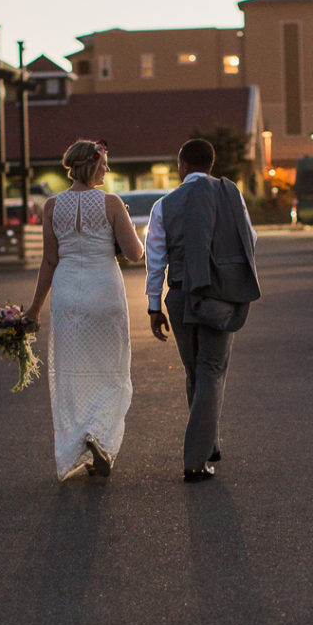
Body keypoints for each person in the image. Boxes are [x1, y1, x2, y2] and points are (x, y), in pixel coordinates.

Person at [25, 139, 144, 481]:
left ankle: (81, 435)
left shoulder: (51, 206)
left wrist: (34, 308)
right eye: (105, 163)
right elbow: (135, 254)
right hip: (103, 290)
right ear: (93, 165)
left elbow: (50, 260)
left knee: (72, 370)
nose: (108, 168)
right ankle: (100, 437)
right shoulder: (111, 203)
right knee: (110, 368)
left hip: (66, 295)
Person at [145, 139, 260, 483]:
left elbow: (156, 259)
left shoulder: (164, 204)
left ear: (182, 165)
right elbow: (250, 238)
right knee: (211, 371)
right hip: (218, 294)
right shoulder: (231, 195)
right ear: (211, 164)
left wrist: (153, 306)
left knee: (195, 372)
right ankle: (195, 460)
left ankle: (209, 445)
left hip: (181, 295)